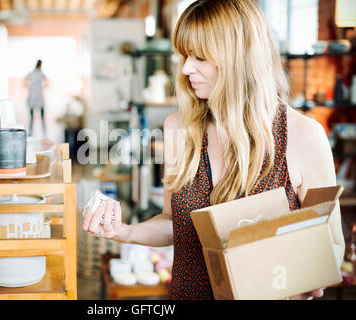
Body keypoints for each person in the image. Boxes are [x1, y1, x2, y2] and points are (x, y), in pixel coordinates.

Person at [82, 0, 345, 300]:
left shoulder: (302, 136)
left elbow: (333, 244)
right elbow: (174, 223)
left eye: (200, 57)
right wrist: (125, 232)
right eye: (183, 55)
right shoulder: (179, 126)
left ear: (239, 58)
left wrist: (306, 278)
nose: (185, 68)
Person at [25, 59, 48, 136]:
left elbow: (47, 81)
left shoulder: (38, 73)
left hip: (37, 94)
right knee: (33, 115)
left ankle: (43, 130)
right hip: (34, 94)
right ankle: (32, 130)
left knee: (40, 114)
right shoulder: (34, 73)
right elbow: (25, 80)